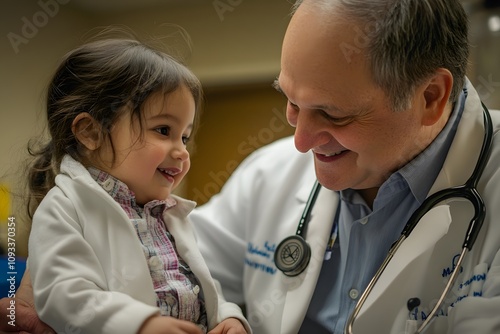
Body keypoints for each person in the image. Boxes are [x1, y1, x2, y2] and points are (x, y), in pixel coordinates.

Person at [2, 0, 500, 333]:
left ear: (431, 97)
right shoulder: (268, 176)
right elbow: (189, 282)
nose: (300, 142)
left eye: (332, 113)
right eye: (289, 103)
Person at [9, 36, 250, 334]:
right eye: (164, 130)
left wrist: (227, 317)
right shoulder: (65, 207)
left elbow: (200, 286)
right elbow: (63, 296)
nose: (183, 151)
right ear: (90, 132)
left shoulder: (164, 214)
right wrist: (139, 324)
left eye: (184, 136)